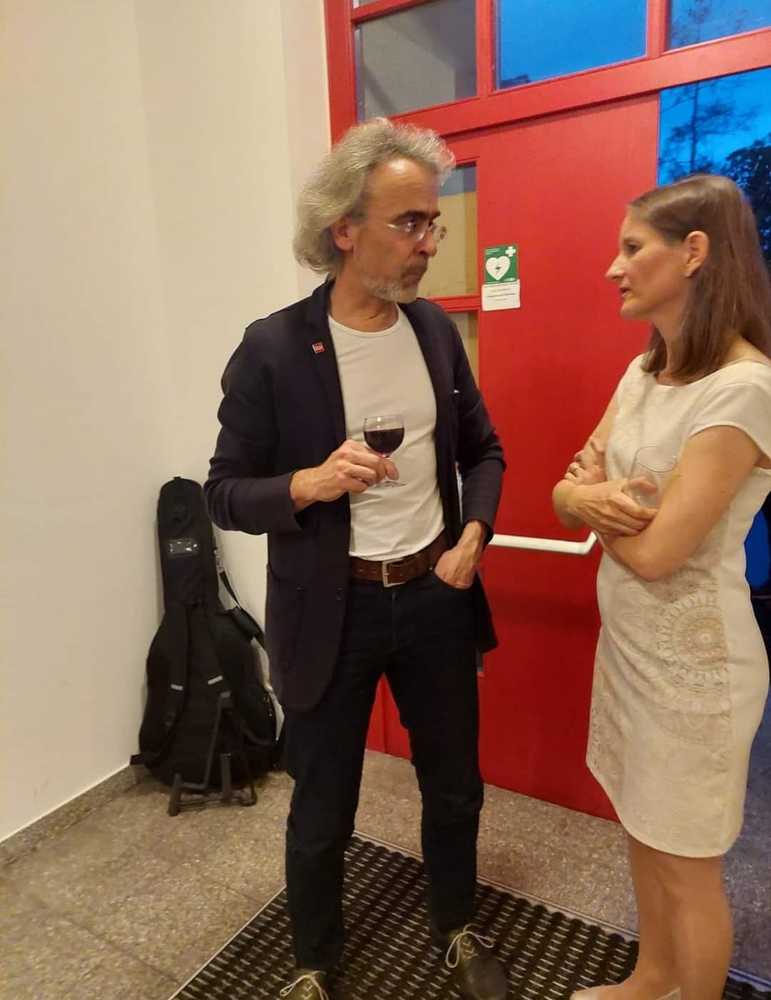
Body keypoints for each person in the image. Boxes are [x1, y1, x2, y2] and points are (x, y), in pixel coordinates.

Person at [205, 119, 507, 1000]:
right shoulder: (273, 348)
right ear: (343, 228)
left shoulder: (434, 333)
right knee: (321, 805)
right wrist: (307, 483)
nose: (429, 242)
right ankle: (313, 964)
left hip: (434, 596)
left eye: (433, 223)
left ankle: (455, 925)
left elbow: (483, 451)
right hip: (329, 610)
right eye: (409, 222)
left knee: (454, 786)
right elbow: (224, 493)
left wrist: (474, 534)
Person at [552, 173, 771, 1000]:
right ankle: (649, 980)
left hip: (695, 672)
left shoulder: (743, 389)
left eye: (630, 248)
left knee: (687, 866)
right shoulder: (643, 372)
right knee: (641, 829)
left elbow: (657, 556)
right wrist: (585, 499)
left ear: (693, 253)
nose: (613, 268)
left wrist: (592, 506)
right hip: (631, 652)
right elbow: (567, 485)